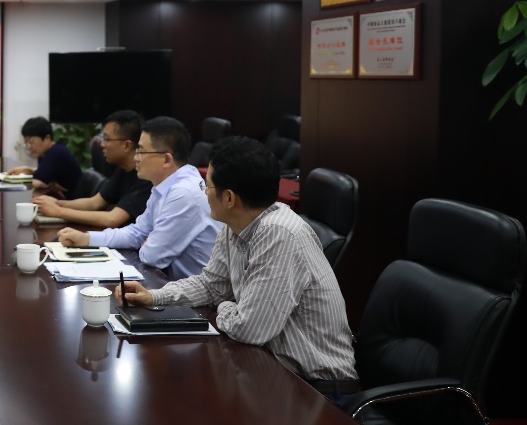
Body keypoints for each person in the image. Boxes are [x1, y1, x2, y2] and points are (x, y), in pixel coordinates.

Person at [116, 137, 358, 398]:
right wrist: (154, 297)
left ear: (229, 198)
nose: (204, 192)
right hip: (270, 371)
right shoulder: (236, 224)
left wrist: (224, 306)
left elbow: (250, 329)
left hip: (318, 391)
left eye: (207, 185)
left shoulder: (279, 233)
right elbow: (211, 285)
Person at [58, 116, 216, 278]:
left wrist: (147, 242)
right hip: (170, 281)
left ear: (166, 159)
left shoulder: (184, 193)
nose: (135, 158)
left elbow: (152, 257)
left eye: (140, 151)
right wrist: (87, 238)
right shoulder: (164, 185)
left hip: (198, 292)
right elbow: (136, 233)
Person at [32, 110, 151, 229]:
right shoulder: (123, 169)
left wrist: (58, 211)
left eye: (107, 139)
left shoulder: (146, 176)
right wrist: (57, 203)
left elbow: (112, 219)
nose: (102, 144)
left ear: (127, 145)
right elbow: (94, 203)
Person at [4, 116, 82, 197]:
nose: (29, 147)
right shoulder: (45, 153)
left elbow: (38, 183)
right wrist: (27, 170)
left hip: (73, 201)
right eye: (26, 143)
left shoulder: (56, 152)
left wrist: (7, 181)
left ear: (47, 138)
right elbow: (44, 173)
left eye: (31, 142)